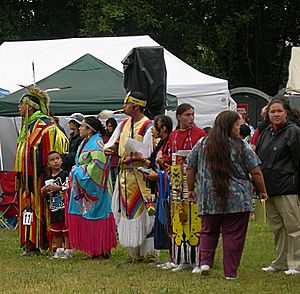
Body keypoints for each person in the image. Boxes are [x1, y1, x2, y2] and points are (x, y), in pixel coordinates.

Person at [186, 110, 268, 279]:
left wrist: (191, 189)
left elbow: (190, 167)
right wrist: (262, 191)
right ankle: (230, 272)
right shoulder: (241, 145)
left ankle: (205, 263)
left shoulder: (202, 143)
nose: (241, 128)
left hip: (208, 196)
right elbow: (256, 171)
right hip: (237, 199)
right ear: (230, 127)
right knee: (233, 235)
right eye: (238, 125)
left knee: (208, 230)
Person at [15, 86, 68, 255]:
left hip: (41, 181)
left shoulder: (46, 127)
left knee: (43, 211)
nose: (19, 107)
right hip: (26, 182)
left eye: (21, 104)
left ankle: (49, 244)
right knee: (26, 211)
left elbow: (54, 154)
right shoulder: (26, 129)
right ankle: (30, 243)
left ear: (30, 106)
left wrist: (49, 177)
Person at [105, 91, 156, 262]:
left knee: (147, 214)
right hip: (125, 178)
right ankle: (134, 253)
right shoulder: (124, 124)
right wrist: (111, 150)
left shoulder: (148, 126)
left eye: (126, 104)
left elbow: (151, 152)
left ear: (135, 106)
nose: (124, 107)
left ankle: (149, 254)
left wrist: (133, 157)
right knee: (127, 213)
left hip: (142, 179)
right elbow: (116, 144)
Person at [256, 97, 300, 275]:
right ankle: (280, 262)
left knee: (294, 227)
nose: (275, 114)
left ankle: (295, 263)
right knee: (277, 227)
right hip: (269, 188)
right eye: (272, 111)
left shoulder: (294, 132)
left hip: (287, 187)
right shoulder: (266, 132)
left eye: (279, 111)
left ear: (286, 112)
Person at [67, 116, 117, 258]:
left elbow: (97, 167)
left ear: (90, 130)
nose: (80, 128)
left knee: (98, 216)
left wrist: (77, 171)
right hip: (84, 185)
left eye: (82, 126)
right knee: (89, 215)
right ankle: (93, 249)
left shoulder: (97, 145)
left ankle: (101, 249)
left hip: (97, 186)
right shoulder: (86, 142)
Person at [165, 103, 206, 272]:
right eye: (187, 115)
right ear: (179, 117)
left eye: (192, 115)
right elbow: (169, 155)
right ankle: (181, 259)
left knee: (195, 220)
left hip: (194, 183)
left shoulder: (200, 134)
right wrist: (165, 160)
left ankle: (198, 260)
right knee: (178, 219)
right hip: (176, 184)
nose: (191, 118)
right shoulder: (173, 135)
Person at [41, 151, 71, 259]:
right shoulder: (47, 179)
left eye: (57, 158)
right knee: (56, 229)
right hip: (53, 207)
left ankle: (68, 249)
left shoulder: (66, 174)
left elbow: (69, 187)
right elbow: (44, 193)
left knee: (66, 229)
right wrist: (44, 190)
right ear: (48, 164)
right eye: (52, 160)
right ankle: (59, 249)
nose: (56, 161)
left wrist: (58, 188)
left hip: (65, 207)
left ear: (62, 161)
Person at [105, 117, 119, 188]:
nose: (108, 128)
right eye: (107, 126)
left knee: (117, 180)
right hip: (109, 162)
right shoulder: (105, 137)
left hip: (116, 161)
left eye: (110, 126)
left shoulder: (118, 136)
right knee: (110, 181)